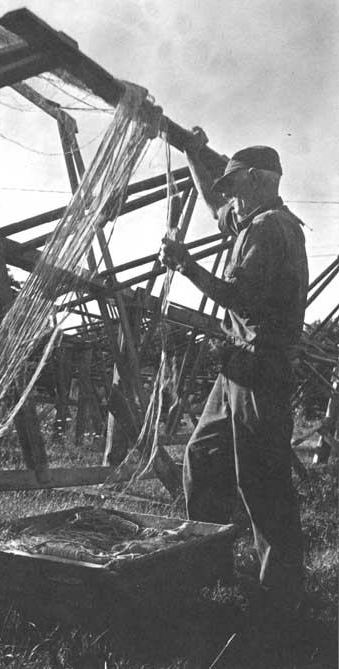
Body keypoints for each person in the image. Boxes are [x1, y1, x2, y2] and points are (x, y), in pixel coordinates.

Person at [159, 131, 309, 617]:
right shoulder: (251, 220)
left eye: (235, 184)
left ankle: (280, 603)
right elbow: (213, 203)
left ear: (258, 181)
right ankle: (207, 565)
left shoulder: (270, 230)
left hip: (260, 370)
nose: (229, 194)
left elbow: (241, 298)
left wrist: (186, 266)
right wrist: (192, 154)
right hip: (236, 370)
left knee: (263, 486)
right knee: (202, 459)